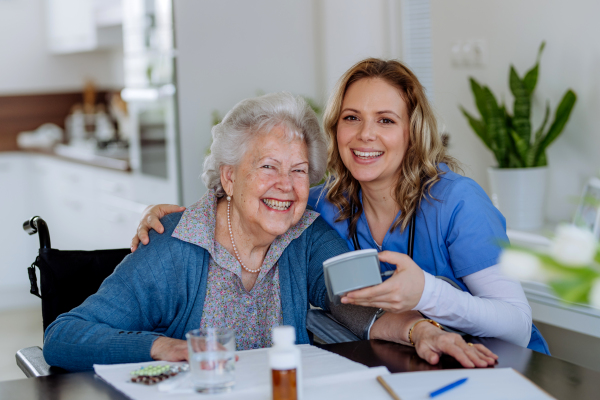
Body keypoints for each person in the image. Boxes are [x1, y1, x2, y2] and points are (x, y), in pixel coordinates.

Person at [44, 92, 496, 372]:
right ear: (229, 178)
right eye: (267, 167)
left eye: (299, 170)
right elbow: (65, 336)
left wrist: (422, 332)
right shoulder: (175, 244)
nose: (286, 185)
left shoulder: (306, 235)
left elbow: (358, 305)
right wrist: (164, 346)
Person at [134, 59, 549, 354]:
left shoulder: (458, 202)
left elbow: (517, 324)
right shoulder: (324, 204)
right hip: (403, 362)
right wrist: (183, 216)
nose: (365, 135)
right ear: (335, 129)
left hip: (499, 368)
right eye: (352, 118)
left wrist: (426, 292)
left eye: (385, 120)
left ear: (412, 132)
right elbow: (259, 202)